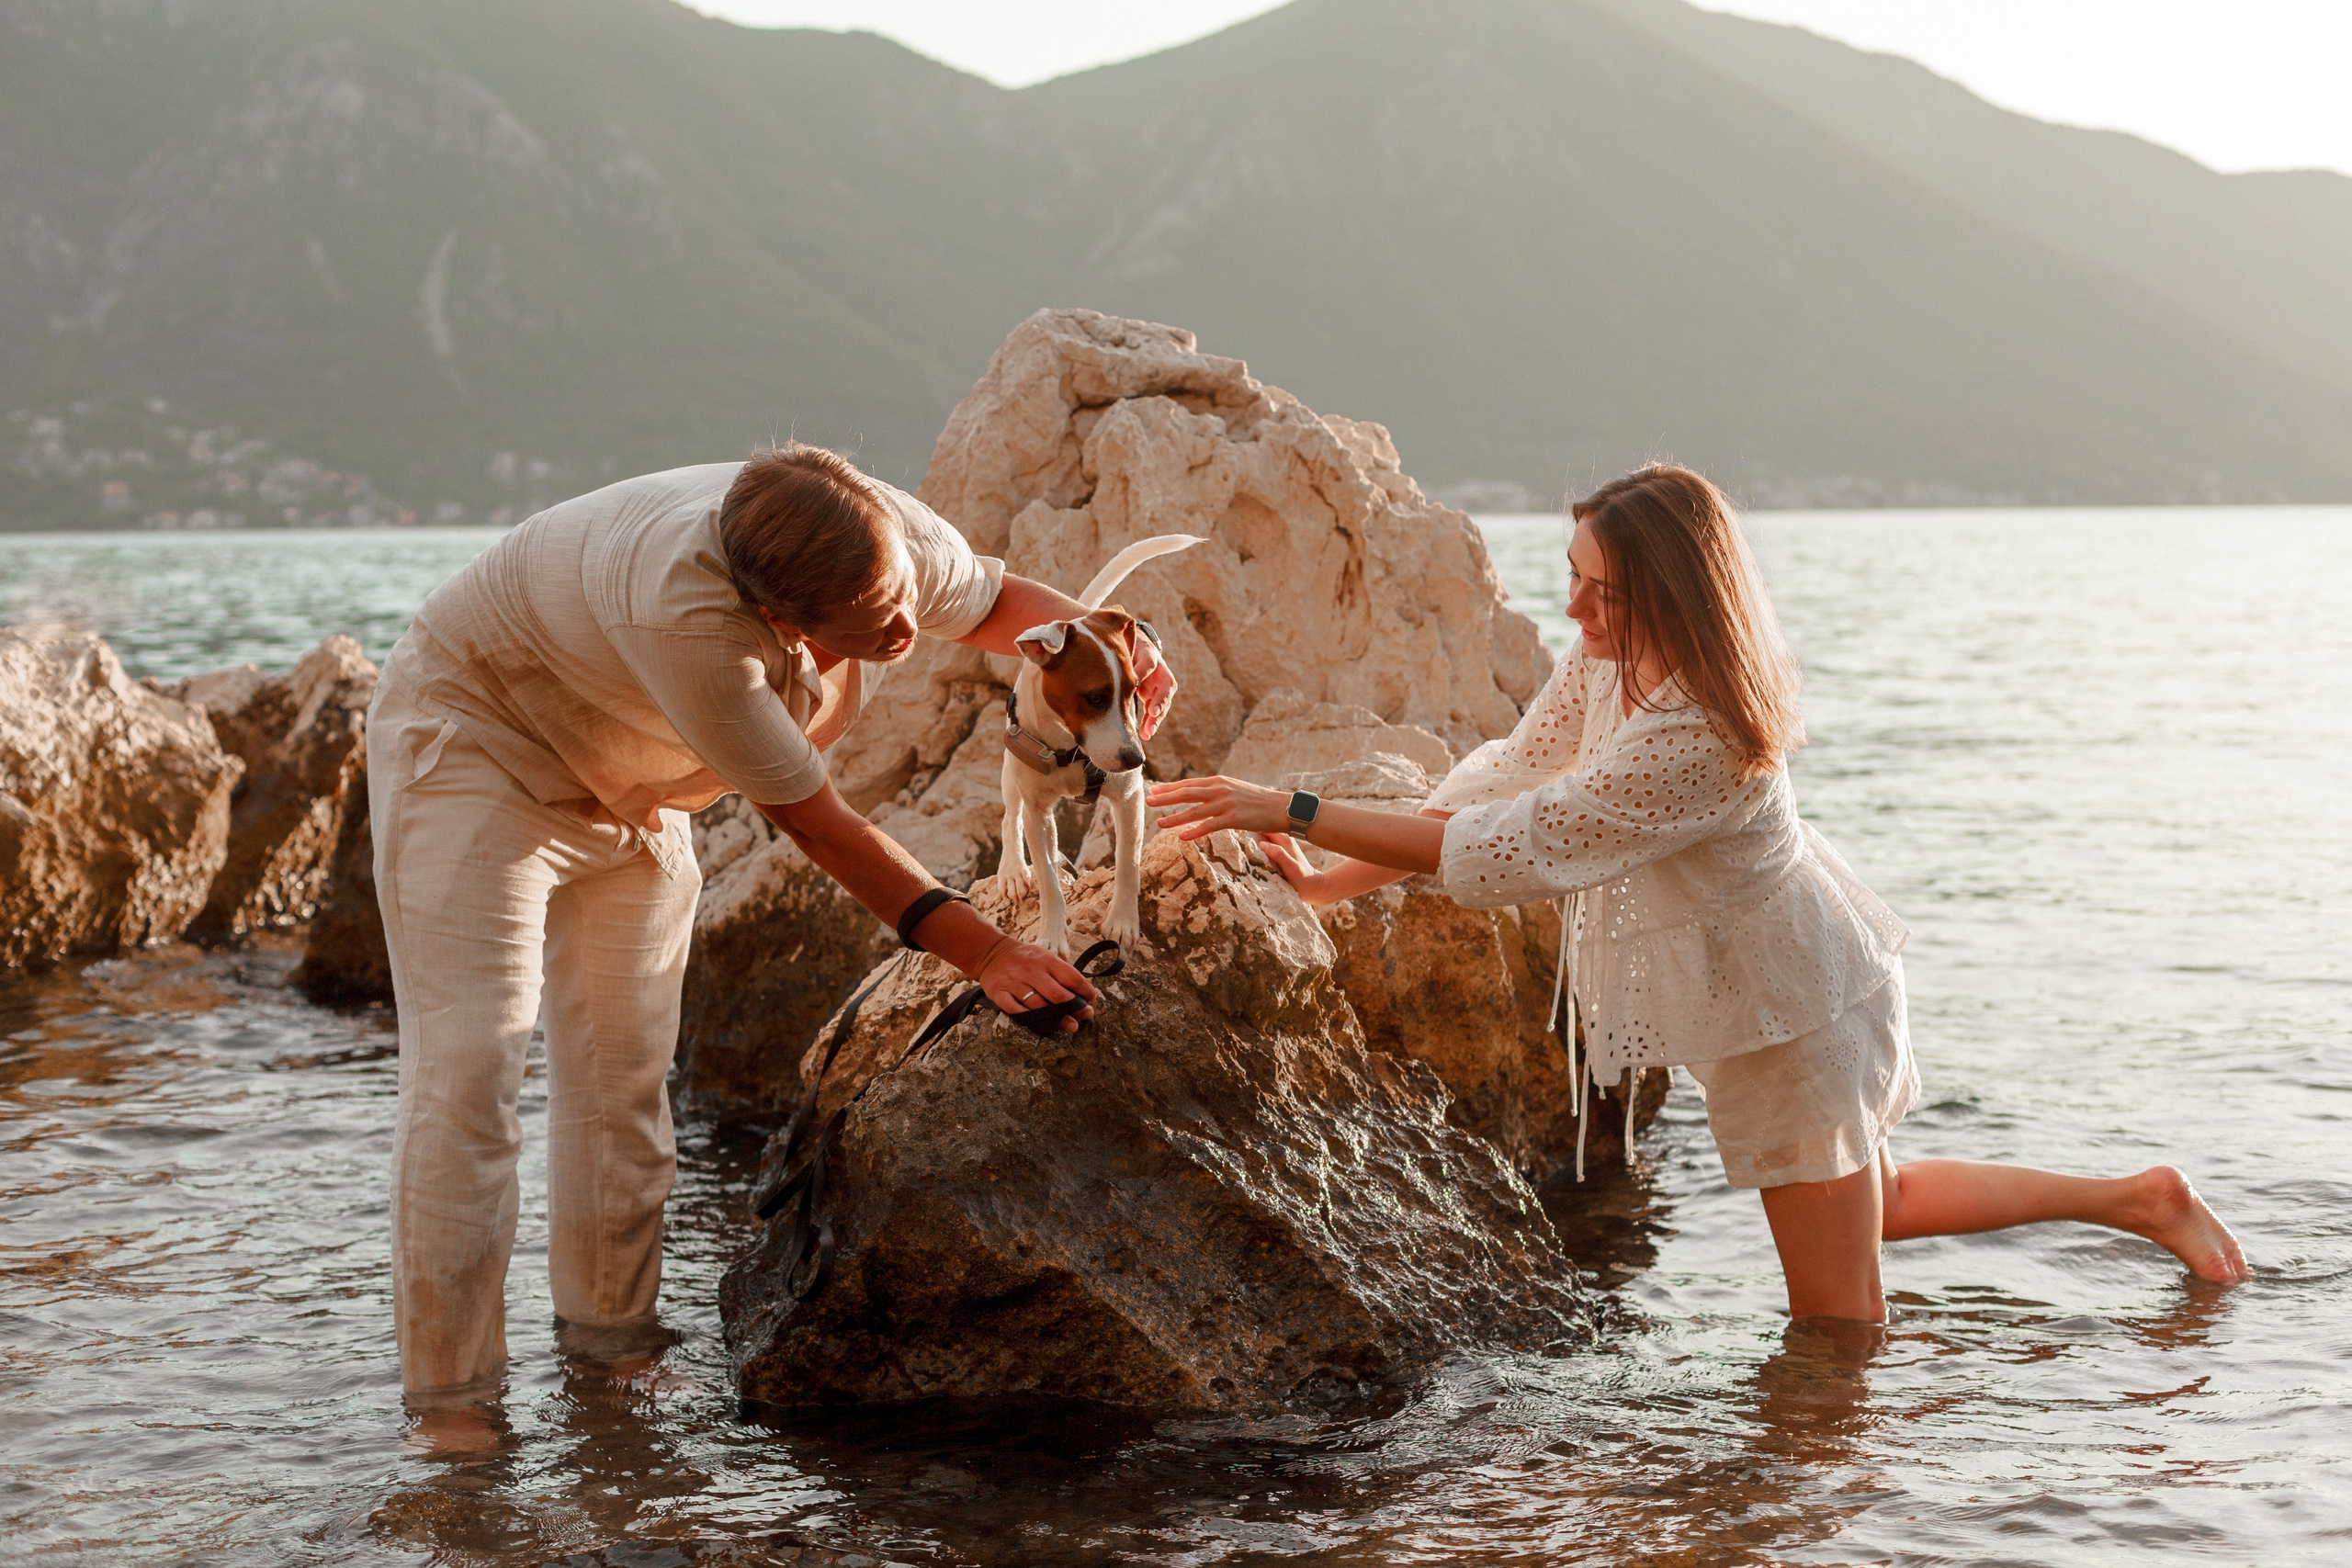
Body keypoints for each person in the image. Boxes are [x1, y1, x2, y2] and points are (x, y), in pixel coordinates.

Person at [1148, 464, 2245, 1322]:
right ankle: (2139, 1199)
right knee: (1880, 1205)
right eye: (1571, 574)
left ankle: (1803, 1512)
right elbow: (1499, 785)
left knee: (1836, 1328)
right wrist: (1332, 883)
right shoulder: (1615, 655)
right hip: (1789, 983)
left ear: (1670, 593)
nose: (1573, 607)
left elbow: (1514, 845)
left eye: (1601, 591)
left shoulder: (1701, 736)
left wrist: (1283, 806)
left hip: (1791, 1015)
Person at [369, 445, 1170, 1410]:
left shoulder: (883, 536)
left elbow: (998, 608)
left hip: (636, 783)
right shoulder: (692, 623)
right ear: (784, 624)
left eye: (900, 594)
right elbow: (819, 826)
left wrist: (1113, 652)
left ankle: (609, 1362)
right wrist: (988, 953)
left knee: (621, 1082)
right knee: (469, 1080)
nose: (910, 627)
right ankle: (453, 1414)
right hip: (479, 748)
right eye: (877, 624)